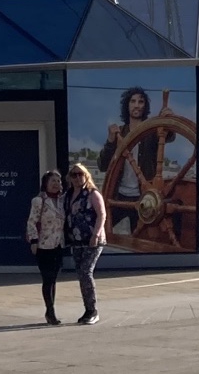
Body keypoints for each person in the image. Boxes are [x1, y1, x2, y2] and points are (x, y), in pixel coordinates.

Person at [102, 87, 157, 238]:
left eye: (141, 101)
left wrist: (168, 118)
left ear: (145, 106)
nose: (137, 105)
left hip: (143, 198)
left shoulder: (151, 131)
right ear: (127, 105)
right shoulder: (118, 132)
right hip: (118, 196)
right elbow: (103, 165)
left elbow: (169, 134)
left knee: (143, 242)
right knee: (101, 231)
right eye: (133, 101)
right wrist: (110, 141)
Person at [64, 162, 107, 325]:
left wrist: (95, 234)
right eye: (73, 175)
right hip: (76, 240)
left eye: (80, 174)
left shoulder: (92, 193)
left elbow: (102, 214)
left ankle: (92, 310)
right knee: (80, 274)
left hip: (92, 239)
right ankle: (87, 309)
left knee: (86, 272)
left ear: (86, 175)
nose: (77, 177)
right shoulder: (68, 195)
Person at [24, 169, 66, 325]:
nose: (56, 184)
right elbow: (31, 221)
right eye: (53, 181)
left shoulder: (62, 200)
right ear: (45, 184)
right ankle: (50, 311)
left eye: (58, 181)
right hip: (43, 245)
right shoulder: (39, 200)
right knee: (47, 278)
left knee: (53, 278)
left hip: (58, 244)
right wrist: (34, 241)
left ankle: (51, 309)